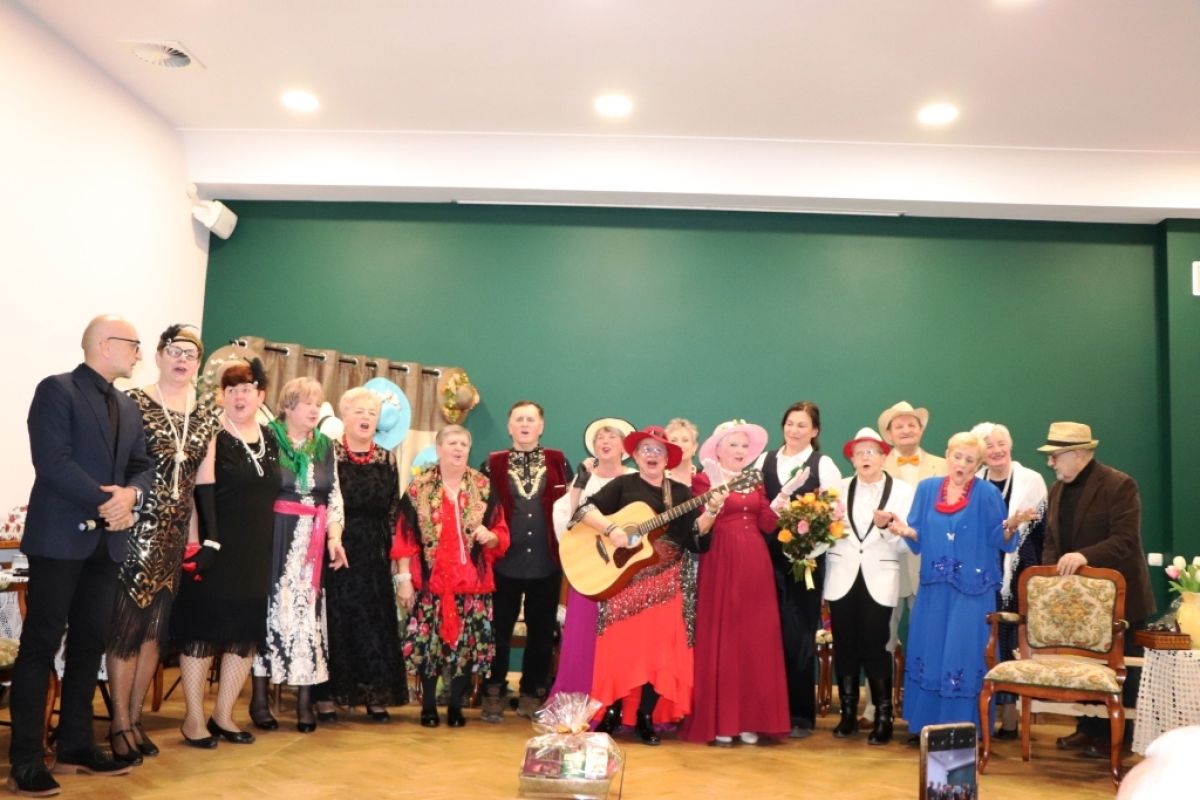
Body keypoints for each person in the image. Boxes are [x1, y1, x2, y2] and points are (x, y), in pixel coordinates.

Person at [8, 315, 153, 795]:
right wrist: (108, 501)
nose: (138, 353)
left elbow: (142, 466)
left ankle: (75, 743)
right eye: (134, 344)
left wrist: (131, 496)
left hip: (106, 543)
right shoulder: (57, 390)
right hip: (59, 539)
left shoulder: (128, 406)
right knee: (40, 646)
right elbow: (52, 462)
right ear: (106, 345)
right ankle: (26, 760)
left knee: (90, 643)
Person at [106, 324, 218, 763]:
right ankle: (118, 723)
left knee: (155, 633)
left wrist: (207, 540)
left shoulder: (205, 415)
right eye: (174, 350)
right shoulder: (131, 403)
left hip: (173, 537)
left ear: (198, 363)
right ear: (157, 356)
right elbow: (117, 465)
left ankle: (134, 720)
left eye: (191, 353)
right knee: (127, 630)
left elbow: (204, 484)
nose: (182, 359)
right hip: (134, 530)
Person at [576, 426, 720, 745]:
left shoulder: (680, 493)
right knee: (619, 648)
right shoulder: (622, 485)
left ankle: (645, 716)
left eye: (658, 451)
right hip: (624, 579)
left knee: (659, 652)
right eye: (645, 450)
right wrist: (611, 529)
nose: (652, 455)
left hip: (666, 582)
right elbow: (584, 510)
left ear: (668, 459)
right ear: (636, 456)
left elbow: (695, 537)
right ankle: (612, 712)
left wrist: (711, 511)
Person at [171, 359, 279, 747]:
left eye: (246, 389)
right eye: (231, 389)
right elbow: (194, 494)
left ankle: (223, 715)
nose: (238, 396)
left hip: (256, 551)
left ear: (260, 395)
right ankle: (193, 720)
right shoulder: (212, 432)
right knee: (202, 633)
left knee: (243, 635)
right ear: (222, 396)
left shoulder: (271, 438)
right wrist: (198, 544)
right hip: (215, 548)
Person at [888, 432, 1016, 738]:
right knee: (931, 651)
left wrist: (1011, 526)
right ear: (947, 455)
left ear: (978, 464)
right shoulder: (927, 489)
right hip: (934, 588)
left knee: (964, 654)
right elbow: (918, 535)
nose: (962, 464)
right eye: (957, 456)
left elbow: (999, 539)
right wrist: (905, 531)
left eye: (970, 460)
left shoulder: (987, 494)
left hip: (972, 592)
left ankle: (963, 728)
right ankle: (926, 726)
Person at [1038, 421, 1154, 758]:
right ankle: (1089, 729)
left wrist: (1084, 556)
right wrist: (1051, 576)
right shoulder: (1056, 490)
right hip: (1079, 602)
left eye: (1055, 456)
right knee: (1087, 666)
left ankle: (1119, 736)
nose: (1050, 462)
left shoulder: (1119, 485)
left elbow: (1126, 540)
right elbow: (1051, 540)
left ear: (1078, 454)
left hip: (1120, 599)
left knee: (1120, 669)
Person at [679, 420, 789, 747]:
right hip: (720, 560)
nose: (740, 451)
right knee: (723, 636)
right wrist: (714, 500)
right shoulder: (702, 480)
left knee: (755, 638)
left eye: (744, 446)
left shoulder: (755, 480)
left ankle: (751, 719)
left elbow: (766, 523)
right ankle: (722, 720)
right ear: (717, 449)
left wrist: (781, 500)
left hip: (755, 562)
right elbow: (700, 526)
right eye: (733, 445)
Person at [392, 425, 509, 727]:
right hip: (430, 583)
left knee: (465, 648)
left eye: (463, 444)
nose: (458, 449)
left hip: (472, 585)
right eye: (452, 443)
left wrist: (491, 536)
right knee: (429, 648)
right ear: (439, 448)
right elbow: (404, 537)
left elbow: (501, 531)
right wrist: (403, 581)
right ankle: (428, 706)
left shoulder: (483, 486)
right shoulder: (419, 488)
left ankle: (456, 706)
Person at [251, 377, 346, 733]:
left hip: (312, 539)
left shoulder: (325, 446)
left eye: (318, 403)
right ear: (288, 406)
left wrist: (335, 537)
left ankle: (305, 699)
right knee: (269, 612)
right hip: (274, 535)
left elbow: (333, 496)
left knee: (306, 616)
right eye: (307, 403)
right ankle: (259, 699)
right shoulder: (266, 437)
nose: (314, 410)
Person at [314, 385, 407, 722]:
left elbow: (394, 511)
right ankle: (327, 696)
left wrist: (395, 559)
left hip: (373, 551)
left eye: (372, 413)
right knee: (336, 620)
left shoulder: (387, 458)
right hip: (336, 547)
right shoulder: (328, 453)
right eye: (359, 412)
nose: (366, 418)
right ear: (345, 415)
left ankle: (373, 694)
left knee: (372, 621)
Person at [753, 400, 842, 738]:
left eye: (802, 425)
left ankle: (799, 715)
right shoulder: (764, 460)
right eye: (790, 423)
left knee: (799, 636)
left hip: (805, 562)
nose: (794, 430)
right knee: (765, 635)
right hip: (765, 558)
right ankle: (765, 710)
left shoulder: (823, 464)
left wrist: (808, 547)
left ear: (815, 431)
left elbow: (834, 513)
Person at [481, 401, 570, 721]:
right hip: (503, 561)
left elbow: (571, 507)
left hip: (546, 560)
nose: (524, 424)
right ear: (509, 427)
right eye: (518, 419)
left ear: (541, 426)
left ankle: (532, 691)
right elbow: (480, 508)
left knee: (542, 632)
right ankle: (493, 691)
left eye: (531, 419)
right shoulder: (492, 463)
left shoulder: (559, 462)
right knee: (498, 629)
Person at [826, 428, 915, 745]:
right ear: (851, 459)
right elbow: (824, 534)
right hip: (842, 576)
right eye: (859, 453)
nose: (865, 458)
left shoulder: (903, 491)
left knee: (877, 646)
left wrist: (887, 527)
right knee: (845, 645)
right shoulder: (836, 489)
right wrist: (827, 531)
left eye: (872, 452)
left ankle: (883, 718)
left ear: (883, 456)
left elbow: (906, 543)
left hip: (881, 577)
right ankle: (847, 715)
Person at [970, 421, 1047, 740]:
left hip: (1020, 570)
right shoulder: (975, 482)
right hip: (984, 572)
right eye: (988, 445)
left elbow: (1040, 531)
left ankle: (1013, 716)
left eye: (1001, 443)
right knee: (987, 641)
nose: (996, 450)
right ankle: (985, 711)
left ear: (1010, 445)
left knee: (1013, 641)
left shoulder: (1032, 480)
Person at [549, 417, 634, 698]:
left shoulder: (633, 479)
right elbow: (568, 519)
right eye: (600, 438)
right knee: (583, 633)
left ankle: (613, 699)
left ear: (624, 446)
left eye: (612, 437)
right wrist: (579, 484)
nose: (605, 442)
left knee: (619, 635)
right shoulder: (584, 478)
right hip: (589, 565)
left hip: (623, 567)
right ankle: (579, 696)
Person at [877, 400, 947, 725]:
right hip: (885, 563)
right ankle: (876, 709)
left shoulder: (943, 466)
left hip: (928, 565)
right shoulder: (875, 465)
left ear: (921, 429)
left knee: (929, 640)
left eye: (911, 424)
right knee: (882, 639)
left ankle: (924, 710)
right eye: (899, 426)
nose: (906, 430)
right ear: (889, 434)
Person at [665, 418, 706, 492]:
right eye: (674, 440)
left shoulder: (706, 479)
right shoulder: (658, 480)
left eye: (685, 440)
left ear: (694, 447)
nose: (680, 445)